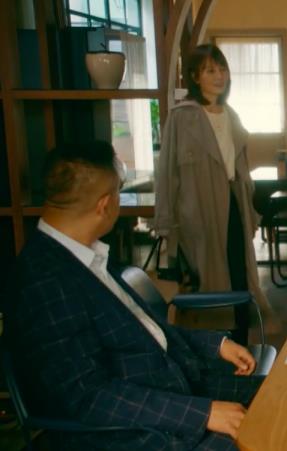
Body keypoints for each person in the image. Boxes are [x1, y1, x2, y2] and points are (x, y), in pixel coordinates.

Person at [3, 141, 261, 450]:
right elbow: (88, 397)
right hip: (136, 431)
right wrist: (202, 414)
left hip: (177, 386)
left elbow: (145, 331)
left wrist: (216, 344)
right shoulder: (43, 281)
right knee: (278, 434)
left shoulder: (86, 255)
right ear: (105, 204)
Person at [155, 44, 273, 338]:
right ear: (195, 77)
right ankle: (213, 349)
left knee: (239, 276)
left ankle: (241, 344)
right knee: (206, 281)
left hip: (233, 204)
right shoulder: (181, 117)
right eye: (210, 70)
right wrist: (166, 224)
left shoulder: (231, 115)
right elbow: (167, 174)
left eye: (222, 69)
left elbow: (241, 169)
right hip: (198, 211)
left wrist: (249, 210)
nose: (219, 76)